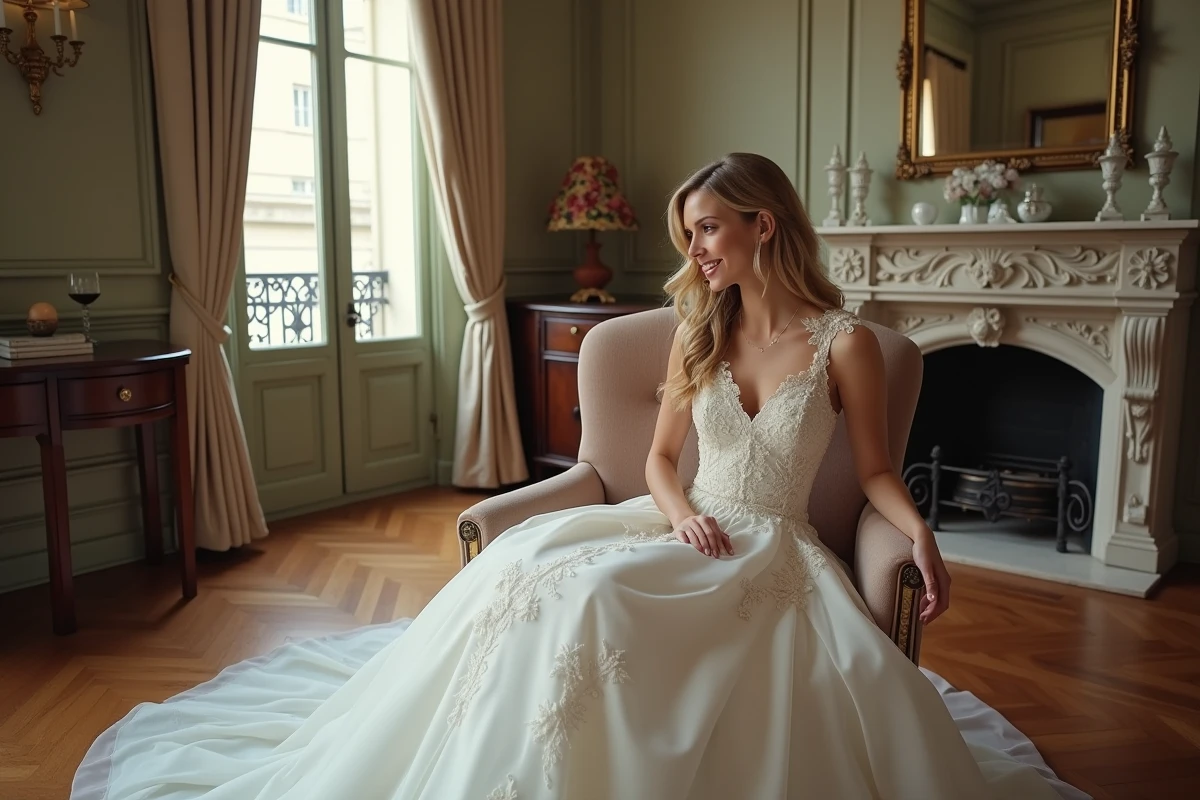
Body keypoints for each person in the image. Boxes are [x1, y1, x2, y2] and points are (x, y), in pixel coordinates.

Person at [74, 153, 1072, 799]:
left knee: (604, 605)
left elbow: (875, 472)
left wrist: (926, 531)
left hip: (775, 557)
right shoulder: (700, 331)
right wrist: (676, 514)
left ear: (765, 224)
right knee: (537, 578)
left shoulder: (847, 343)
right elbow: (655, 461)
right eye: (689, 232)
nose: (696, 248)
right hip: (682, 524)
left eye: (709, 228)